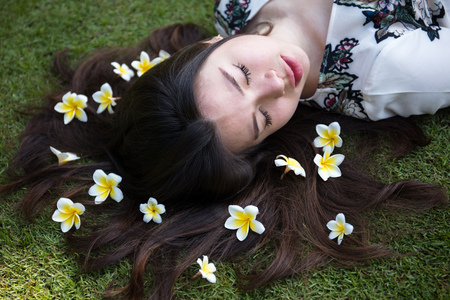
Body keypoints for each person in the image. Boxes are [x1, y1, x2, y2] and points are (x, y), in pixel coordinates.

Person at [1, 1, 448, 299]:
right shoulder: (390, 75)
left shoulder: (233, 5)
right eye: (263, 119)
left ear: (205, 46)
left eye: (239, 75)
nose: (277, 83)